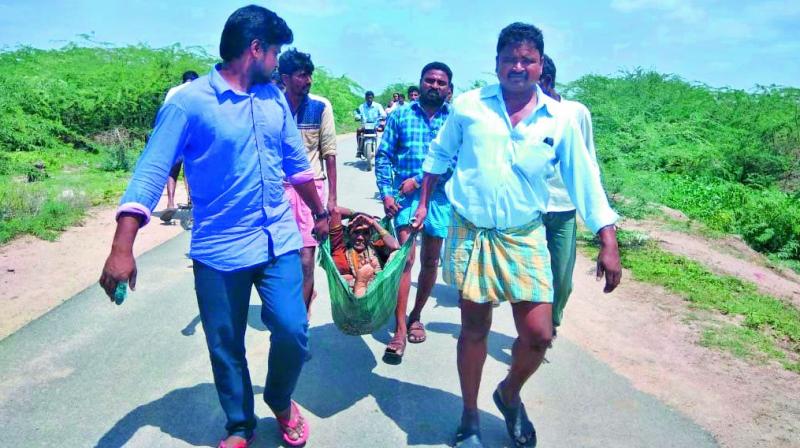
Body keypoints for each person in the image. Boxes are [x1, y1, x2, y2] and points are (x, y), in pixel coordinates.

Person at [98, 6, 329, 448]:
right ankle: (240, 423)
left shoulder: (273, 97)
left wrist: (320, 212)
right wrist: (122, 247)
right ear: (255, 50)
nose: (278, 62)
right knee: (225, 345)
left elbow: (296, 164)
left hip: (278, 239)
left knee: (293, 330)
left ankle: (280, 400)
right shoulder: (188, 104)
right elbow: (150, 172)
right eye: (275, 51)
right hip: (220, 250)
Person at [411, 23, 621, 447]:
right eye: (510, 59)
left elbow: (584, 178)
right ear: (497, 63)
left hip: (524, 235)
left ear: (540, 65)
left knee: (539, 333)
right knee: (474, 329)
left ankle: (508, 393)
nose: (518, 67)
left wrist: (608, 238)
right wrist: (421, 202)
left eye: (527, 60)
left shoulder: (560, 118)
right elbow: (439, 155)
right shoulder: (470, 106)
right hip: (471, 232)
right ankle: (469, 418)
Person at [375, 61, 454, 363]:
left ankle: (416, 316)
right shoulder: (400, 116)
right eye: (430, 80)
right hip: (405, 201)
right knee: (405, 261)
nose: (435, 86)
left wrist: (420, 181)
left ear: (448, 88)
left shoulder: (454, 121)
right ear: (420, 83)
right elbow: (383, 156)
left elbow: (454, 160)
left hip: (440, 199)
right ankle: (398, 329)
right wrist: (385, 193)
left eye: (441, 82)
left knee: (430, 261)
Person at [538, 54, 599, 333]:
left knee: (562, 277)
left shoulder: (577, 113)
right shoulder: (526, 114)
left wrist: (596, 213)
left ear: (546, 81)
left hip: (564, 207)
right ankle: (535, 329)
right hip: (531, 209)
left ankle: (553, 318)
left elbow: (589, 162)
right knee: (533, 275)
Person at [279, 49, 338, 318]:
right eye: (302, 75)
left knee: (306, 260)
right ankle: (293, 305)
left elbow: (330, 153)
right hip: (277, 192)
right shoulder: (271, 107)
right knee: (280, 260)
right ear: (285, 78)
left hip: (311, 191)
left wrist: (331, 202)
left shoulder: (321, 107)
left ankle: (299, 323)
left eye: (310, 75)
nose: (308, 80)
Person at [329, 207, 400, 297]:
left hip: (377, 293)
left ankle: (361, 284)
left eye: (365, 233)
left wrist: (374, 223)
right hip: (348, 297)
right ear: (349, 233)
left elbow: (396, 247)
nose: (360, 237)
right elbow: (335, 211)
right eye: (356, 232)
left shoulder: (376, 247)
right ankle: (360, 284)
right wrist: (356, 214)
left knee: (396, 255)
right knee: (348, 279)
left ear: (370, 235)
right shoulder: (340, 249)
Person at [160, 70, 199, 222]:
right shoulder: (198, 91)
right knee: (190, 169)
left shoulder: (172, 91)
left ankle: (170, 203)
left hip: (173, 134)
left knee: (173, 169)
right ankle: (193, 203)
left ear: (183, 80)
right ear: (195, 81)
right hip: (192, 134)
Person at [354, 90, 386, 158]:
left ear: (373, 98)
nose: (369, 99)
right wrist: (357, 117)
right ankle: (359, 149)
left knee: (383, 132)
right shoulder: (361, 106)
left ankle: (382, 150)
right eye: (368, 97)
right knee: (358, 130)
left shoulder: (378, 106)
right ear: (365, 98)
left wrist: (383, 116)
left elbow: (383, 113)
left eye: (371, 97)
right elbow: (357, 113)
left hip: (375, 125)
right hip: (365, 125)